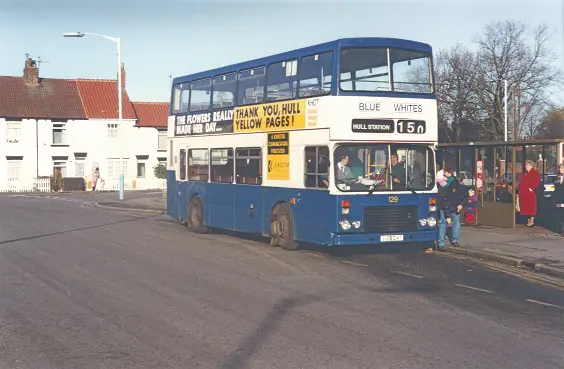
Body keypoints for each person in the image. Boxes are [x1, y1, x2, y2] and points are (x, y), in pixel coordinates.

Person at [437, 168, 465, 250]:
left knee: (443, 224)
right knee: (456, 223)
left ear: (448, 173)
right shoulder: (456, 183)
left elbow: (441, 195)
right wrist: (460, 204)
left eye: (445, 172)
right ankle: (455, 240)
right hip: (455, 205)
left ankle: (441, 242)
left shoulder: (443, 183)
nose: (444, 173)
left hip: (445, 206)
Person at [517, 160, 541, 227]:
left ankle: (532, 222)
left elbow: (536, 182)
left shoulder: (535, 173)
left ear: (531, 166)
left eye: (527, 165)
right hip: (524, 193)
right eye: (525, 165)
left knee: (531, 208)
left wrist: (531, 189)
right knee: (527, 208)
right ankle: (528, 222)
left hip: (530, 194)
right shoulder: (525, 174)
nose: (526, 166)